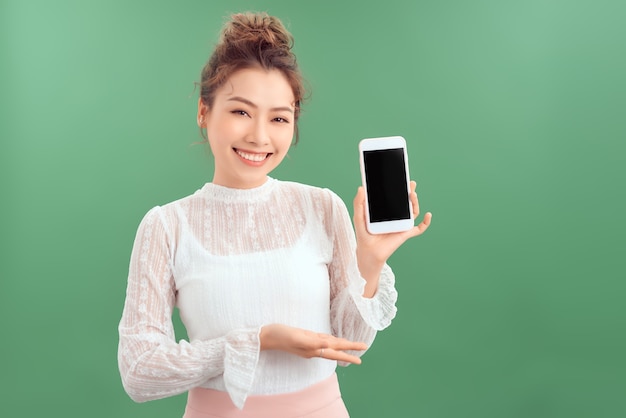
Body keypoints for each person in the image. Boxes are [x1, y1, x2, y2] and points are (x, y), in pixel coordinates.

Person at [118, 11, 432, 418]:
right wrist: (258, 341)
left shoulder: (321, 206)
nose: (260, 136)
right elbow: (139, 373)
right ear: (203, 112)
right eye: (241, 112)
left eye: (279, 118)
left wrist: (370, 263)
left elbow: (347, 345)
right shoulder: (166, 226)